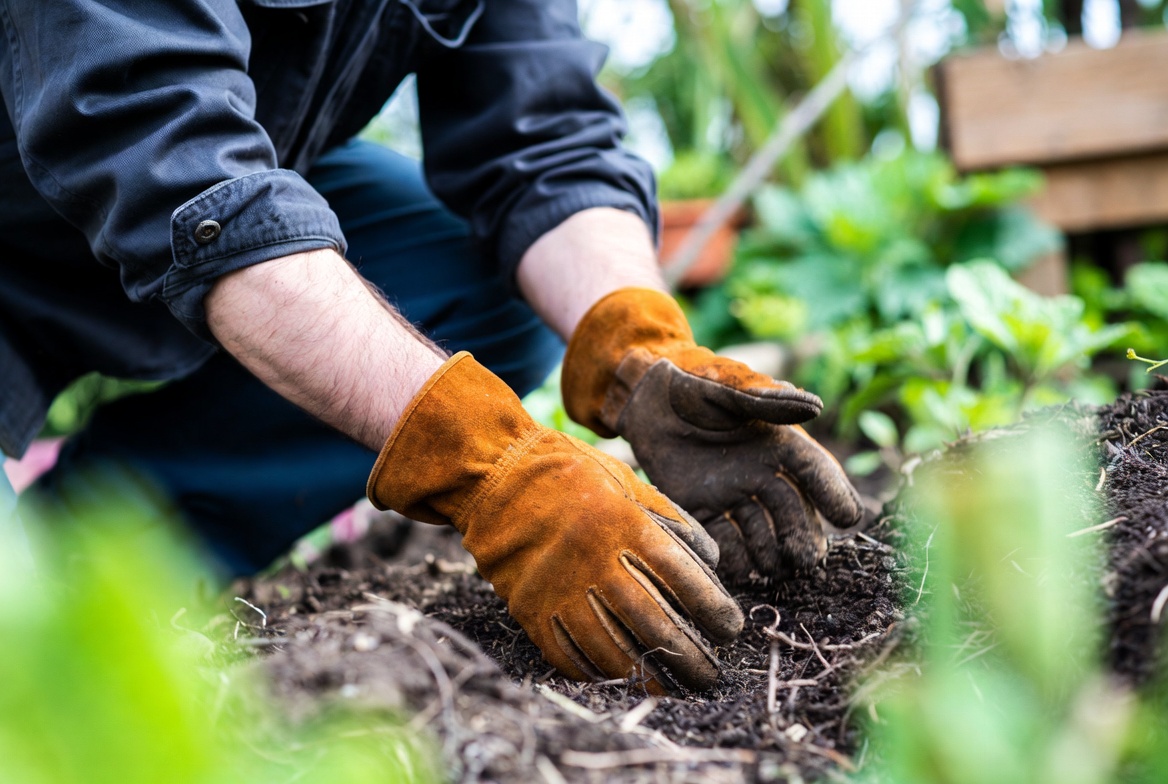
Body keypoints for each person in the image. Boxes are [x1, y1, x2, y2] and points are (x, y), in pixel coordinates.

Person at [0, 0, 862, 693]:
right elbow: (166, 157)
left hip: (156, 202)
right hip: (57, 214)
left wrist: (637, 343)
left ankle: (91, 559)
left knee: (476, 273)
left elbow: (548, 140)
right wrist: (489, 463)